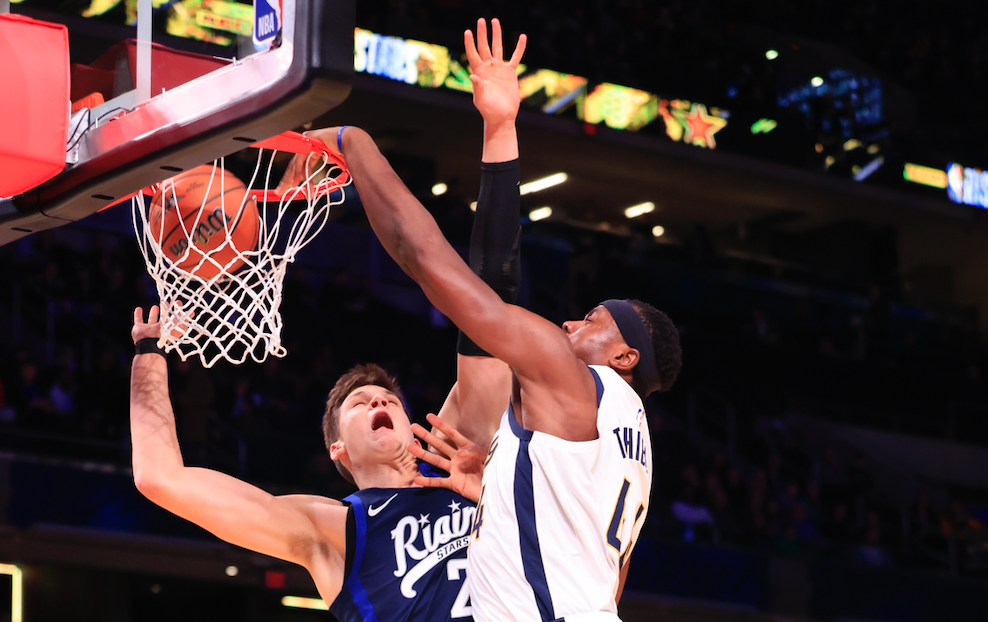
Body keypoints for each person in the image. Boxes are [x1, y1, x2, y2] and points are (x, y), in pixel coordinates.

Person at [130, 19, 527, 622]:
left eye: (384, 397)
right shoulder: (331, 530)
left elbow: (491, 302)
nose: (378, 403)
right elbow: (161, 478)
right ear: (339, 450)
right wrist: (149, 356)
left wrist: (500, 128)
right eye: (361, 403)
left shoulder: (457, 452)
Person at [292, 23, 682, 622]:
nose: (574, 320)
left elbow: (434, 264)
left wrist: (352, 142)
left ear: (625, 356)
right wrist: (500, 494)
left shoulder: (571, 381)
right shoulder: (635, 448)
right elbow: (608, 586)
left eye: (598, 319)